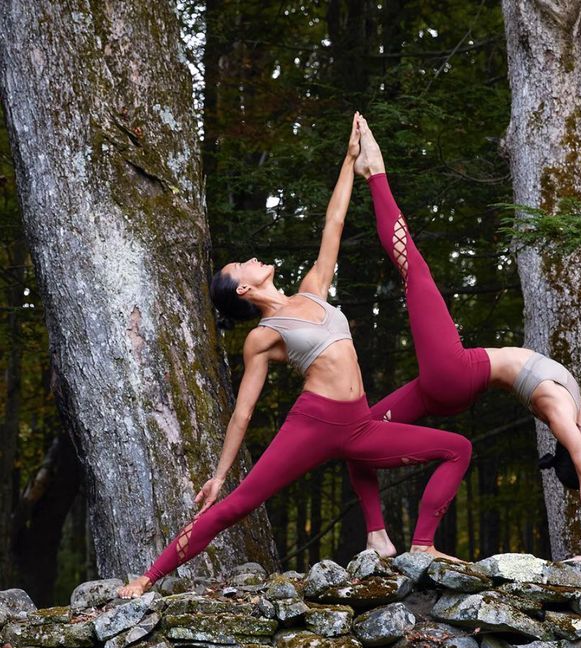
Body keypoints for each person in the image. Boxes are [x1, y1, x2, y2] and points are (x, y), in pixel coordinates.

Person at [118, 114, 472, 598]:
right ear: (243, 287)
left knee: (458, 449)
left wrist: (350, 162)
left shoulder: (314, 289)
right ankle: (147, 577)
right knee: (236, 505)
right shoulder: (263, 336)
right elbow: (243, 411)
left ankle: (413, 544)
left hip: (360, 427)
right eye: (242, 265)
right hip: (314, 424)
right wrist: (220, 475)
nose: (253, 259)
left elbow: (334, 221)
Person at [349, 115, 581, 567]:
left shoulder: (563, 418)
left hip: (456, 373)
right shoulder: (580, 420)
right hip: (447, 384)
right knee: (358, 438)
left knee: (413, 268)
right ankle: (379, 534)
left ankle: (375, 172)